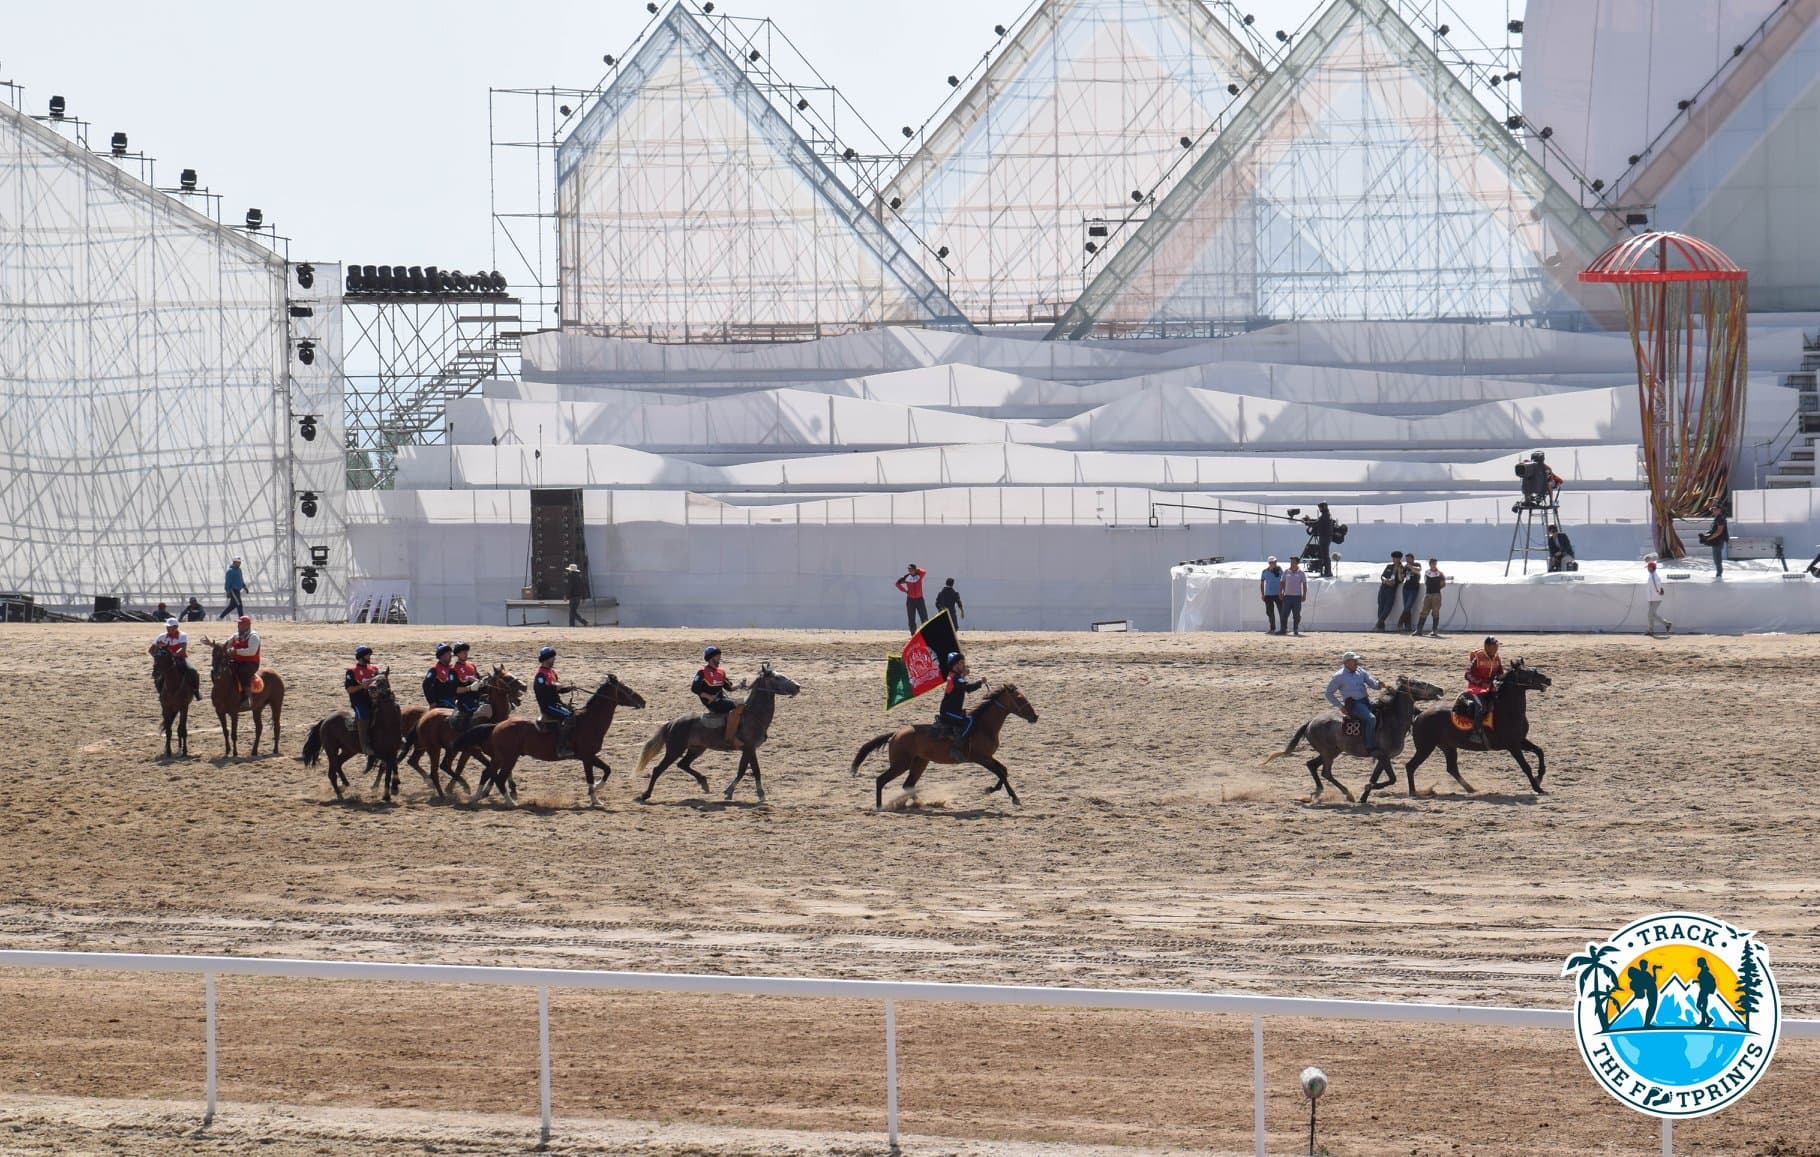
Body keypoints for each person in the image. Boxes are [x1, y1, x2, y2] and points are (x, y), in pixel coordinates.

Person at [1324, 651, 1383, 756]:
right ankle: (1371, 746)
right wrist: (1340, 706)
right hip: (1354, 704)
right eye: (1354, 660)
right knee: (1371, 719)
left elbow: (1372, 684)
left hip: (1365, 701)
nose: (1357, 662)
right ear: (1346, 663)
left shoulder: (1361, 671)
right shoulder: (1339, 676)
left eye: (1356, 660)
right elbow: (1329, 693)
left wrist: (1379, 685)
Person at [935, 651, 984, 760]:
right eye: (961, 663)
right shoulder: (956, 678)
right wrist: (980, 682)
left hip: (951, 710)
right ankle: (955, 748)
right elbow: (968, 688)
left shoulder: (954, 675)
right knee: (969, 721)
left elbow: (960, 681)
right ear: (955, 665)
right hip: (949, 712)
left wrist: (963, 674)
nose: (964, 665)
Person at [692, 645, 746, 745]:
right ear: (711, 658)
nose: (720, 658)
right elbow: (694, 689)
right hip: (713, 703)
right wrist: (708, 696)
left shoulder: (721, 672)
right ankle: (730, 738)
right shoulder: (702, 672)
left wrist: (740, 685)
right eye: (718, 656)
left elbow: (729, 688)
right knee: (739, 704)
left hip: (722, 700)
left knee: (744, 702)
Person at [533, 645, 577, 756]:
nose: (554, 659)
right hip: (548, 705)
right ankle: (561, 748)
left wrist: (568, 688)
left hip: (557, 703)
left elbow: (559, 690)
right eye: (552, 657)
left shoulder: (552, 673)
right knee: (569, 717)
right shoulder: (540, 675)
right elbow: (540, 690)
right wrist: (554, 687)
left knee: (575, 713)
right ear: (547, 659)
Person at [1463, 636, 1503, 745]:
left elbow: (1500, 673)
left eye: (1497, 646)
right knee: (1481, 707)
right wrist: (1480, 682)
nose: (1497, 648)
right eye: (1495, 646)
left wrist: (1499, 680)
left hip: (1491, 687)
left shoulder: (1496, 657)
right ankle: (1475, 733)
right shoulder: (1477, 656)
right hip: (1476, 688)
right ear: (1488, 646)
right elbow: (1467, 674)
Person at [148, 618, 200, 702]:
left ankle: (196, 691)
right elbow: (151, 650)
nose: (168, 628)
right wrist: (158, 657)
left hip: (181, 658)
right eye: (167, 627)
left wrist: (173, 655)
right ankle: (160, 692)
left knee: (193, 671)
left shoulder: (182, 635)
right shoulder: (161, 636)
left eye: (170, 627)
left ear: (176, 627)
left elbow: (182, 649)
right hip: (165, 660)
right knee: (157, 674)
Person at [344, 645, 380, 756]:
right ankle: (364, 745)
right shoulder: (351, 671)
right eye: (367, 654)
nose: (369, 656)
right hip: (359, 701)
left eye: (369, 654)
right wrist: (361, 687)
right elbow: (349, 689)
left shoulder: (374, 669)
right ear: (360, 656)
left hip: (374, 699)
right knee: (364, 714)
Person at [225, 615, 261, 708]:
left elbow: (251, 651)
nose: (238, 625)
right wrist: (213, 644)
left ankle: (247, 697)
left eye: (240, 624)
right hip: (237, 661)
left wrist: (236, 651)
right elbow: (225, 645)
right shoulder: (236, 636)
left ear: (247, 625)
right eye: (238, 624)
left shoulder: (253, 636)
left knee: (243, 672)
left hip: (251, 663)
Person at [450, 640, 486, 730]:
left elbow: (478, 678)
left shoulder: (471, 665)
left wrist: (480, 682)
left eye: (466, 651)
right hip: (464, 699)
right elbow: (454, 689)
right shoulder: (454, 668)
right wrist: (469, 688)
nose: (466, 654)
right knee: (471, 713)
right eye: (463, 652)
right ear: (457, 654)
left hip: (477, 695)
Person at [1300, 502, 1335, 578]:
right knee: (1324, 554)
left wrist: (1306, 522)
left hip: (1324, 538)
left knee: (1325, 555)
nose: (1319, 509)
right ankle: (1326, 571)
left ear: (1323, 507)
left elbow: (1316, 523)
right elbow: (1317, 521)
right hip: (1325, 537)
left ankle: (1328, 572)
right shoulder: (1326, 515)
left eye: (1320, 508)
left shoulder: (1325, 516)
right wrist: (1309, 520)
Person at [422, 643, 459, 708]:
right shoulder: (434, 669)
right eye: (448, 653)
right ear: (441, 656)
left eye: (450, 653)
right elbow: (426, 685)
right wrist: (432, 702)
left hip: (452, 702)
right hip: (441, 702)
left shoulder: (452, 670)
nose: (450, 655)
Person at [1415, 558, 1446, 636]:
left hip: (1436, 594)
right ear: (1430, 564)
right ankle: (1419, 630)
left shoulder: (1439, 573)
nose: (1434, 565)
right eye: (1433, 563)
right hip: (1428, 594)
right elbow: (1426, 582)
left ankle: (1434, 630)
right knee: (1424, 611)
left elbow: (1443, 583)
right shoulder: (1427, 572)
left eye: (1435, 564)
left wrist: (1437, 588)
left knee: (1435, 612)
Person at [1375, 551, 1404, 631]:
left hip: (1392, 588)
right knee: (1381, 606)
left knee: (1388, 606)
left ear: (1399, 559)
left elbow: (1401, 580)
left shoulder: (1402, 568)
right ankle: (1381, 626)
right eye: (1393, 558)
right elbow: (1383, 576)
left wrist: (1399, 571)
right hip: (1384, 587)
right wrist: (1385, 580)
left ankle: (1379, 623)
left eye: (1395, 558)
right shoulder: (1389, 566)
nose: (1394, 560)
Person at [896, 563, 929, 634]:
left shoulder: (919, 575)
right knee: (911, 617)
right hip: (910, 600)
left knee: (924, 616)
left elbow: (924, 571)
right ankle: (913, 633)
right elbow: (897, 584)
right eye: (909, 569)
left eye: (911, 569)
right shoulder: (906, 577)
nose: (909, 571)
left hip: (920, 599)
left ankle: (926, 632)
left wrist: (917, 570)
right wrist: (905, 590)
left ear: (915, 569)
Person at [1644, 554, 1671, 636]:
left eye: (1648, 568)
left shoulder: (1654, 577)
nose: (1647, 569)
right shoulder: (1652, 575)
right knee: (1652, 614)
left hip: (1655, 599)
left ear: (1652, 568)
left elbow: (1657, 588)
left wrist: (1653, 598)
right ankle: (1666, 624)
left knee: (1650, 614)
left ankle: (1651, 630)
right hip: (1652, 598)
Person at [1700, 503, 1729, 578]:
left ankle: (1719, 574)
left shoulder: (1720, 518)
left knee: (1717, 558)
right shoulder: (1717, 518)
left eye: (1716, 510)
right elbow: (1713, 530)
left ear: (1720, 510)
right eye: (1713, 510)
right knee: (1716, 558)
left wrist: (1708, 538)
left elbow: (1719, 531)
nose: (1714, 511)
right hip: (1715, 540)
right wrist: (1706, 536)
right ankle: (1719, 573)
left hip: (1718, 540)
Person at [1278, 557, 1306, 635]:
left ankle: (1295, 629)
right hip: (1287, 596)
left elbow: (1304, 584)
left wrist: (1304, 595)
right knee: (1284, 614)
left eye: (1293, 562)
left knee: (1296, 614)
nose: (1291, 563)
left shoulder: (1301, 573)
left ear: (1297, 563)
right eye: (1291, 561)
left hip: (1297, 597)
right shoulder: (1286, 572)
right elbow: (1282, 582)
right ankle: (1283, 629)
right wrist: (1280, 592)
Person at [1397, 551, 1422, 631]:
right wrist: (1399, 571)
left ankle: (1400, 622)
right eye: (1406, 559)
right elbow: (1401, 578)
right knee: (1407, 608)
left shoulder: (1416, 564)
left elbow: (1418, 571)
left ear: (1412, 559)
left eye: (1408, 559)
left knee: (1408, 606)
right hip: (1406, 588)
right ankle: (1408, 626)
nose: (1407, 560)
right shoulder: (1405, 567)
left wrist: (1410, 567)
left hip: (1414, 588)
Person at [1258, 556, 1284, 634]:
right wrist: (1262, 594)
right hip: (1268, 595)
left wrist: (1282, 592)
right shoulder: (1264, 572)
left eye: (1275, 561)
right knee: (1270, 612)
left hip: (1278, 594)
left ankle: (1283, 628)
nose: (1275, 563)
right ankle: (1272, 628)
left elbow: (1283, 581)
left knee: (1281, 611)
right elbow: (1262, 583)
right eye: (1273, 562)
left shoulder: (1279, 570)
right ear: (1269, 563)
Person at [564, 562, 590, 627]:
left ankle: (584, 622)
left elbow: (569, 587)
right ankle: (572, 625)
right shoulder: (580, 577)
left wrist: (566, 596)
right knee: (572, 611)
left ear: (571, 571)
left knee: (573, 612)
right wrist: (584, 597)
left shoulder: (570, 577)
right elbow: (583, 587)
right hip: (578, 597)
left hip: (573, 597)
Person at [1694, 957, 1718, 1028]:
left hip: (1704, 991)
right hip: (1703, 990)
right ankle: (1706, 1019)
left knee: (1700, 1005)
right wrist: (1696, 981)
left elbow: (1705, 981)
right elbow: (1703, 980)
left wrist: (1699, 982)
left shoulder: (1704, 971)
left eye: (1698, 962)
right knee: (1701, 1006)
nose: (1697, 963)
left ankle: (1705, 1021)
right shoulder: (1704, 970)